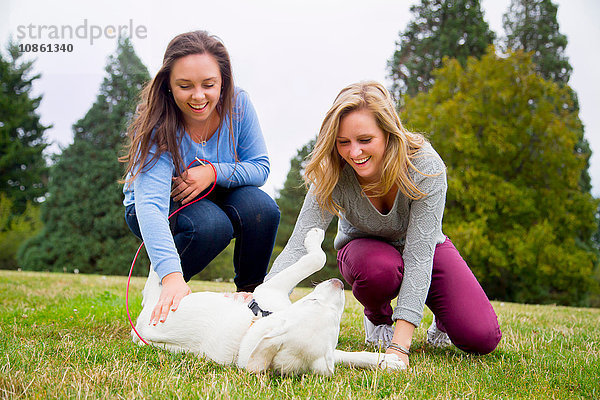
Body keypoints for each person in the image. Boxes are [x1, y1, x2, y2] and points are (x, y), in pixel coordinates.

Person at [268, 81, 501, 367]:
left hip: (423, 248)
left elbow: (419, 256)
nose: (354, 152)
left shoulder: (425, 167)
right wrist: (262, 303)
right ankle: (378, 320)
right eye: (344, 142)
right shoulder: (332, 171)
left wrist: (400, 348)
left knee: (482, 337)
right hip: (366, 254)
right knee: (378, 268)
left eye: (365, 140)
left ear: (388, 133)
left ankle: (443, 320)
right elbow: (299, 245)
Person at [121, 31, 280, 326]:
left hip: (211, 190)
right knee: (211, 226)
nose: (198, 96)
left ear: (224, 82)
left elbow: (259, 167)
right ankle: (164, 288)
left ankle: (250, 298)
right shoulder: (159, 121)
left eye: (209, 85)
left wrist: (212, 172)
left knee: (262, 209)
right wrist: (171, 276)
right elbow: (150, 206)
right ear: (168, 85)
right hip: (156, 205)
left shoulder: (239, 104)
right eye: (185, 86)